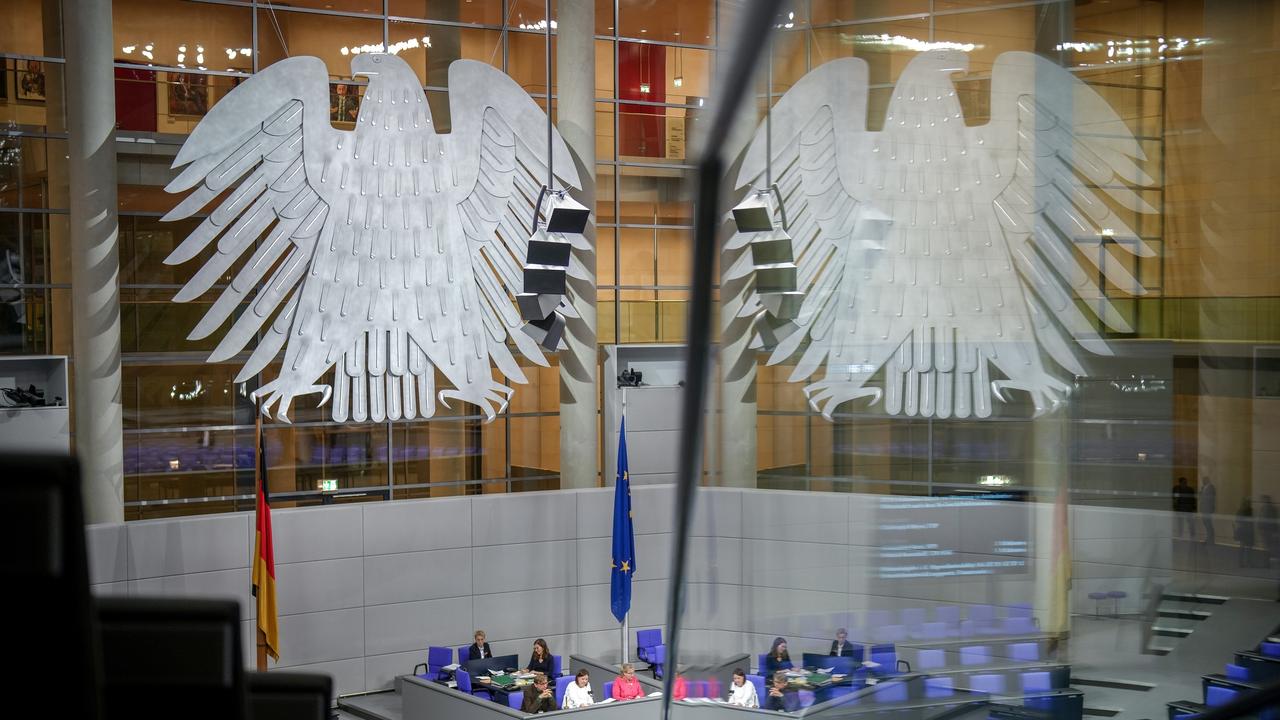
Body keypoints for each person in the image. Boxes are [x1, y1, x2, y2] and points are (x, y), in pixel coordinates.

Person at [1235, 498, 1256, 567]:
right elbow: (1252, 521)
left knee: (1243, 547)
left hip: (1242, 530)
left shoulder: (1240, 510)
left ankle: (1241, 562)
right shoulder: (1249, 510)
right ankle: (1248, 562)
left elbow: (1237, 520)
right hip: (1248, 531)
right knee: (1248, 547)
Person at [1201, 477, 1217, 545]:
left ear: (1207, 480)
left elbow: (1211, 499)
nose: (1202, 481)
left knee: (1208, 524)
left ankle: (1210, 539)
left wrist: (1211, 508)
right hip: (1204, 509)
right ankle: (1208, 539)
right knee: (1206, 524)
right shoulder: (1204, 487)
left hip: (1207, 509)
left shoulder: (1211, 487)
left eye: (1204, 480)